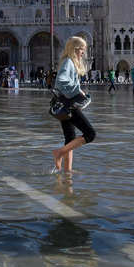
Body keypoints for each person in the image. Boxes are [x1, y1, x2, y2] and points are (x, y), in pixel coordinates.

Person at [51, 36, 96, 172]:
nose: (83, 52)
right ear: (75, 49)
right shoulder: (68, 62)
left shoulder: (68, 62)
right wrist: (78, 90)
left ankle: (67, 171)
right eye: (82, 49)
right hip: (69, 104)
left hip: (65, 105)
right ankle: (59, 152)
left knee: (70, 137)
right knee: (90, 134)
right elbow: (60, 81)